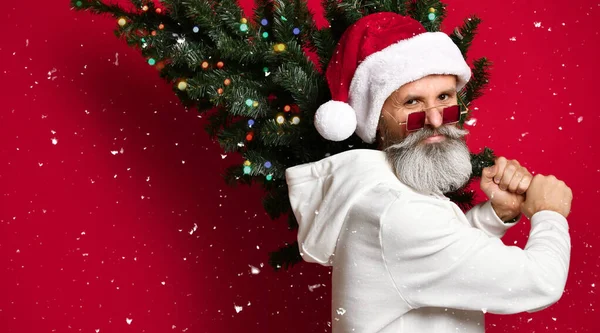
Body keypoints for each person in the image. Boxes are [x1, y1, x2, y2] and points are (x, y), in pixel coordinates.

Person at [285, 12, 572, 333]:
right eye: (412, 102)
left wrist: (496, 214)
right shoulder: (397, 212)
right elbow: (539, 282)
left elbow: (439, 256)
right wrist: (550, 213)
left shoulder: (386, 191)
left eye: (445, 98)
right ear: (378, 119)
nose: (436, 120)